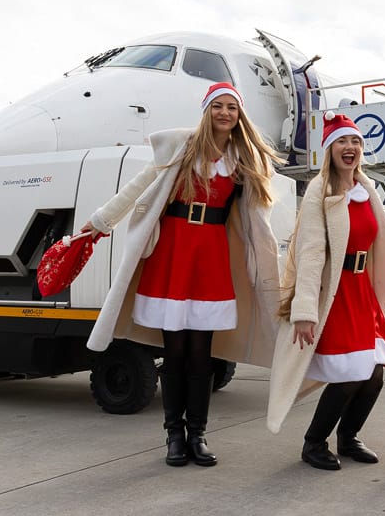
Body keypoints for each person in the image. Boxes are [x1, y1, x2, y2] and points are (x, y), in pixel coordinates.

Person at [82, 82, 283, 467]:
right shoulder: (181, 147)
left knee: (201, 356)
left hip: (210, 256)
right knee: (174, 354)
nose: (225, 113)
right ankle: (174, 435)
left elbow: (257, 219)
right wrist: (100, 222)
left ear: (239, 116)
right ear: (206, 110)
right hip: (173, 254)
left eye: (232, 108)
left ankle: (199, 434)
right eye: (218, 106)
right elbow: (138, 188)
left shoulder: (243, 160)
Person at [266, 111, 385, 471]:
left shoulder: (367, 188)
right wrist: (305, 310)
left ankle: (349, 437)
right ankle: (313, 443)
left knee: (373, 375)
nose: (350, 146)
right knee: (347, 375)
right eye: (342, 140)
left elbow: (380, 246)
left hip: (362, 292)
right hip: (335, 294)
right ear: (329, 149)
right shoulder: (319, 191)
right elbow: (310, 253)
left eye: (355, 141)